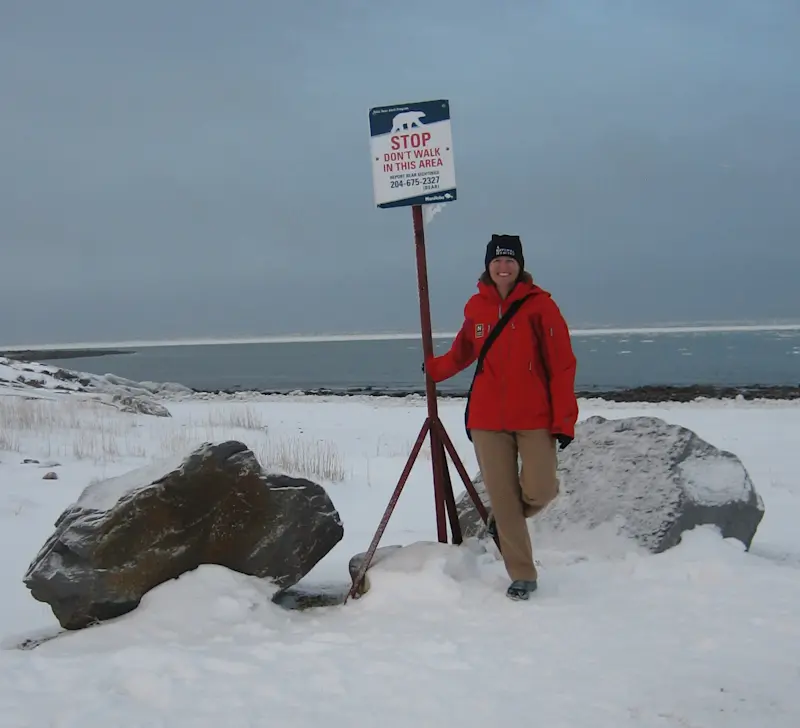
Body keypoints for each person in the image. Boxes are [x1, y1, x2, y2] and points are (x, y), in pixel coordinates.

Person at [424, 234, 578, 601]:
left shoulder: (541, 307)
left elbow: (561, 365)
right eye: (497, 261)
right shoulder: (477, 307)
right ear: (488, 266)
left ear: (520, 265)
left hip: (534, 416)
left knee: (541, 489)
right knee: (504, 496)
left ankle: (503, 521)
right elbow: (463, 351)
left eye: (510, 261)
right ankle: (522, 575)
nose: (503, 267)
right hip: (487, 419)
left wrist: (564, 419)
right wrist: (434, 369)